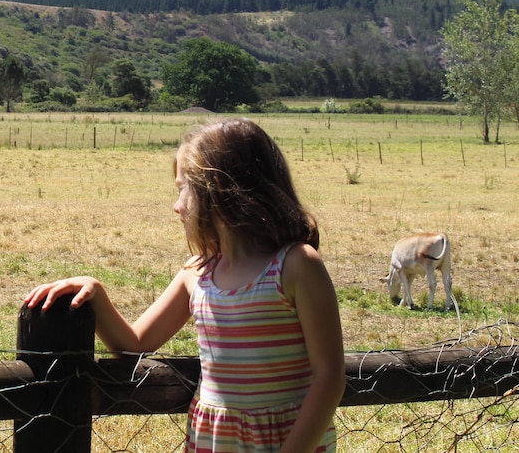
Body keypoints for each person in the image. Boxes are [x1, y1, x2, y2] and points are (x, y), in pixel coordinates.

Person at [24, 118, 345, 453]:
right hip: (214, 441)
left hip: (289, 441)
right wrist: (96, 294)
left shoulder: (295, 266)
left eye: (182, 189)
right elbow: (136, 343)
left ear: (217, 188)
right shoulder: (198, 272)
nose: (176, 206)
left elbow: (329, 377)